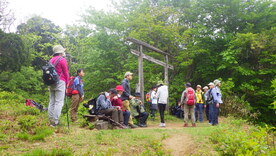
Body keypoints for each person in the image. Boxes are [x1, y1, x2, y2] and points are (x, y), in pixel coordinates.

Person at [48, 45, 69, 127]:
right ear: (61, 52)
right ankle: (55, 122)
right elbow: (66, 72)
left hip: (51, 82)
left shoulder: (51, 60)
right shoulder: (62, 60)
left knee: (52, 101)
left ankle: (51, 120)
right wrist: (67, 83)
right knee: (59, 102)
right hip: (60, 82)